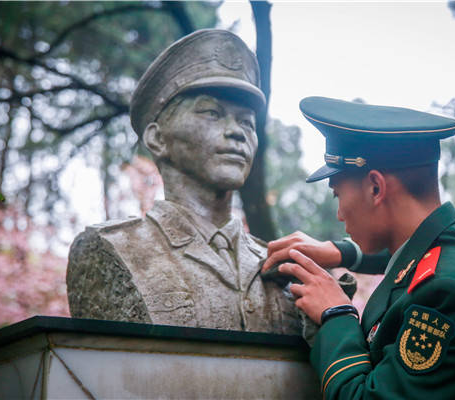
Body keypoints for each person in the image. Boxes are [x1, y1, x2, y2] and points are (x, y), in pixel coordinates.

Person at [263, 96, 455, 398]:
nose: (339, 214)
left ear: (376, 188)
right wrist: (342, 252)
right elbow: (415, 256)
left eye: (337, 194)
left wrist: (336, 314)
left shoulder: (449, 299)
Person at [66, 29, 300, 335]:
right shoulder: (111, 249)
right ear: (158, 138)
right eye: (212, 113)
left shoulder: (281, 268)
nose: (237, 132)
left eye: (247, 122)